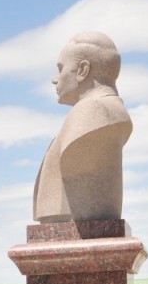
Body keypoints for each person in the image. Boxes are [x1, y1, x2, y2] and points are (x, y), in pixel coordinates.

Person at [33, 31, 133, 224]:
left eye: (61, 69)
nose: (55, 79)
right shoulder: (110, 110)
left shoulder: (93, 111)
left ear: (82, 70)